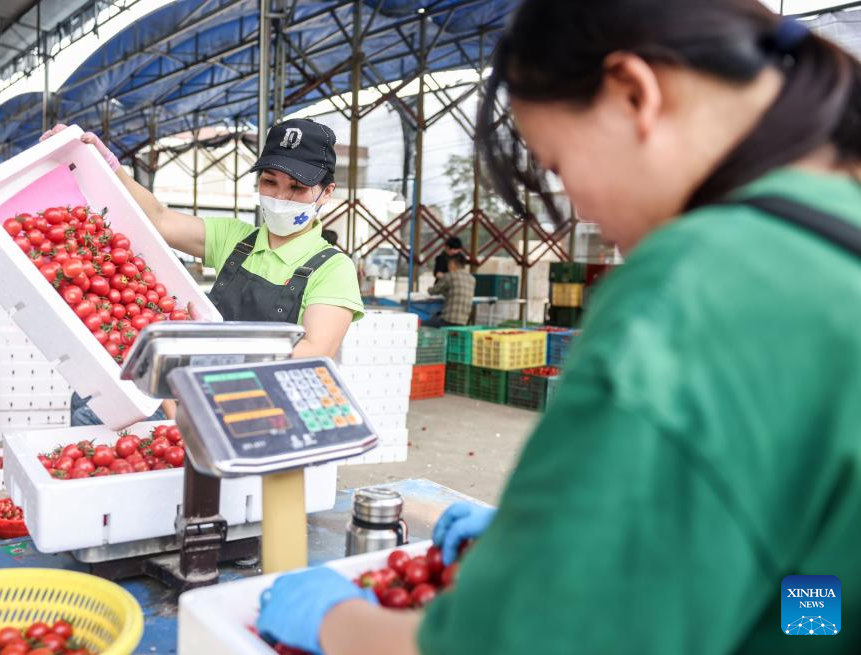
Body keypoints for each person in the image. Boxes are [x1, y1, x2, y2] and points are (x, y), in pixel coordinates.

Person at [255, 1, 861, 653]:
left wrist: (334, 621)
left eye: (560, 167)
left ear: (634, 93)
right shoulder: (835, 237)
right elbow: (825, 597)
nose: (584, 208)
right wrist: (599, 548)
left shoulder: (695, 289)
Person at [44, 118, 363, 425]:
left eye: (297, 187)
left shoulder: (333, 268)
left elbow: (313, 355)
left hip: (262, 409)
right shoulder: (237, 239)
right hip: (195, 391)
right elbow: (159, 218)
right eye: (270, 182)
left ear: (327, 192)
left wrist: (202, 347)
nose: (280, 197)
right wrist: (108, 166)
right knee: (90, 402)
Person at [423, 253, 475, 327]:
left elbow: (432, 291)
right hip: (464, 321)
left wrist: (428, 288)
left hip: (448, 320)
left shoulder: (450, 276)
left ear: (452, 264)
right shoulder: (472, 279)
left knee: (422, 324)